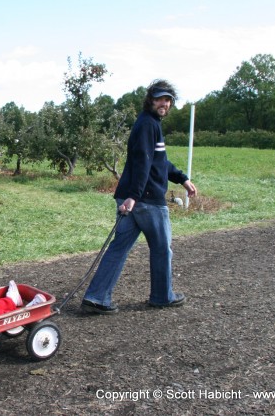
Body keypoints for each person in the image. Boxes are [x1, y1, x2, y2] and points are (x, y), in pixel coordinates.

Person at [81, 79, 198, 314]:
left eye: (168, 99)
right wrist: (134, 196)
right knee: (162, 248)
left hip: (132, 198)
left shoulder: (149, 123)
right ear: (150, 100)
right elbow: (142, 162)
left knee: (119, 248)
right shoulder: (148, 124)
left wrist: (181, 178)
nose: (164, 103)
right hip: (145, 200)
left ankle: (97, 297)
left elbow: (159, 162)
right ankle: (162, 296)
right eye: (159, 99)